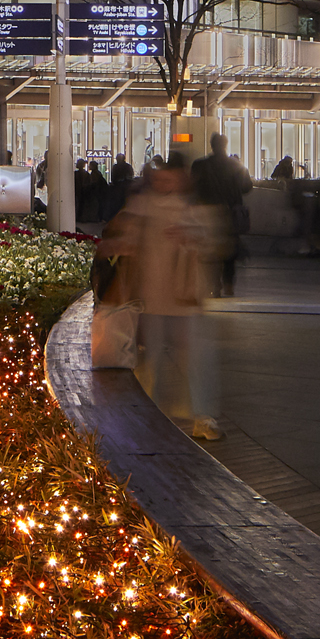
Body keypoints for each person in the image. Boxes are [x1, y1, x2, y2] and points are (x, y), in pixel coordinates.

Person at [102, 153, 221, 437]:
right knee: (152, 357)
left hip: (183, 297)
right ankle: (148, 413)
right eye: (161, 178)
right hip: (152, 297)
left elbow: (213, 245)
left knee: (190, 359)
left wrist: (192, 237)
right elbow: (123, 238)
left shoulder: (193, 209)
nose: (165, 182)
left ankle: (199, 415)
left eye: (171, 178)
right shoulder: (143, 206)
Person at [194, 134, 252, 298]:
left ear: (211, 145)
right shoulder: (235, 165)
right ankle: (228, 285)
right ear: (226, 145)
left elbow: (193, 187)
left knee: (210, 251)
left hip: (208, 212)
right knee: (229, 250)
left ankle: (214, 286)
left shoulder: (201, 165)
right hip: (230, 212)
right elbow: (247, 187)